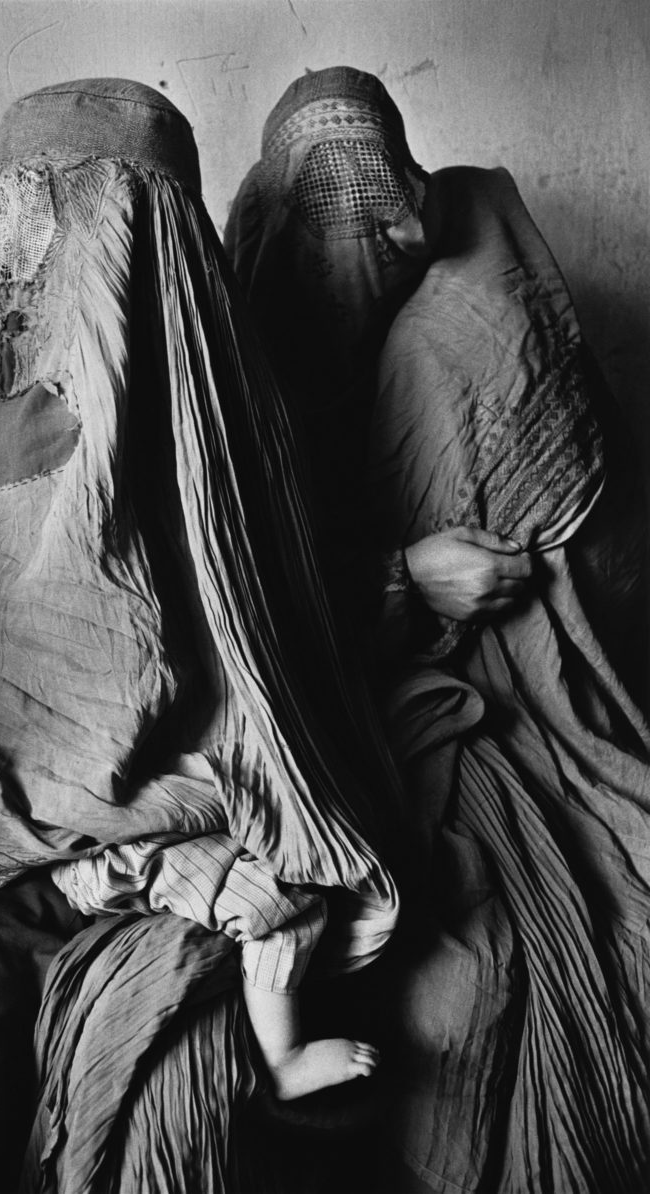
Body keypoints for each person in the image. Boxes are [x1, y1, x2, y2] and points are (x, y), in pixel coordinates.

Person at [0, 78, 401, 1192]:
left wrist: (167, 862)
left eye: (108, 221)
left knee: (179, 1108)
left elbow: (273, 702)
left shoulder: (219, 453)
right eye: (34, 207)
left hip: (181, 890)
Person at [226, 65, 650, 1194]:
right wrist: (399, 582)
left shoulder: (446, 337)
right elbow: (240, 609)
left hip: (478, 707)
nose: (361, 244)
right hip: (311, 712)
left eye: (382, 212)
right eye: (323, 219)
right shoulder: (232, 356)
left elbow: (573, 573)